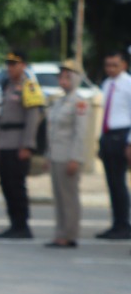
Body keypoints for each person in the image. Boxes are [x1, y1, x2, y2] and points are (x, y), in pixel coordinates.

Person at [0, 50, 45, 239]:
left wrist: (28, 145)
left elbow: (33, 117)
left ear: (23, 65)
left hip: (18, 143)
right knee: (6, 183)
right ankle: (14, 223)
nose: (10, 68)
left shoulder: (28, 86)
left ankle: (22, 224)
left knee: (17, 185)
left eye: (14, 64)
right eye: (8, 64)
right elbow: (2, 120)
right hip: (6, 142)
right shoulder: (8, 85)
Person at [45, 59, 95, 249]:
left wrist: (76, 157)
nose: (63, 81)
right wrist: (48, 154)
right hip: (56, 155)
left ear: (75, 79)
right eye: (61, 77)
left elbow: (80, 134)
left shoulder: (79, 102)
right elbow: (52, 131)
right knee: (58, 197)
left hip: (68, 156)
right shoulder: (59, 102)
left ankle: (70, 234)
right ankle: (60, 233)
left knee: (69, 197)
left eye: (67, 77)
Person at [96, 51, 131, 240]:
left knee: (119, 182)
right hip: (108, 135)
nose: (110, 69)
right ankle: (116, 223)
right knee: (111, 182)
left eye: (114, 65)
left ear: (124, 65)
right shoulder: (107, 84)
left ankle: (124, 224)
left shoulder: (128, 84)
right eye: (107, 65)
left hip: (122, 133)